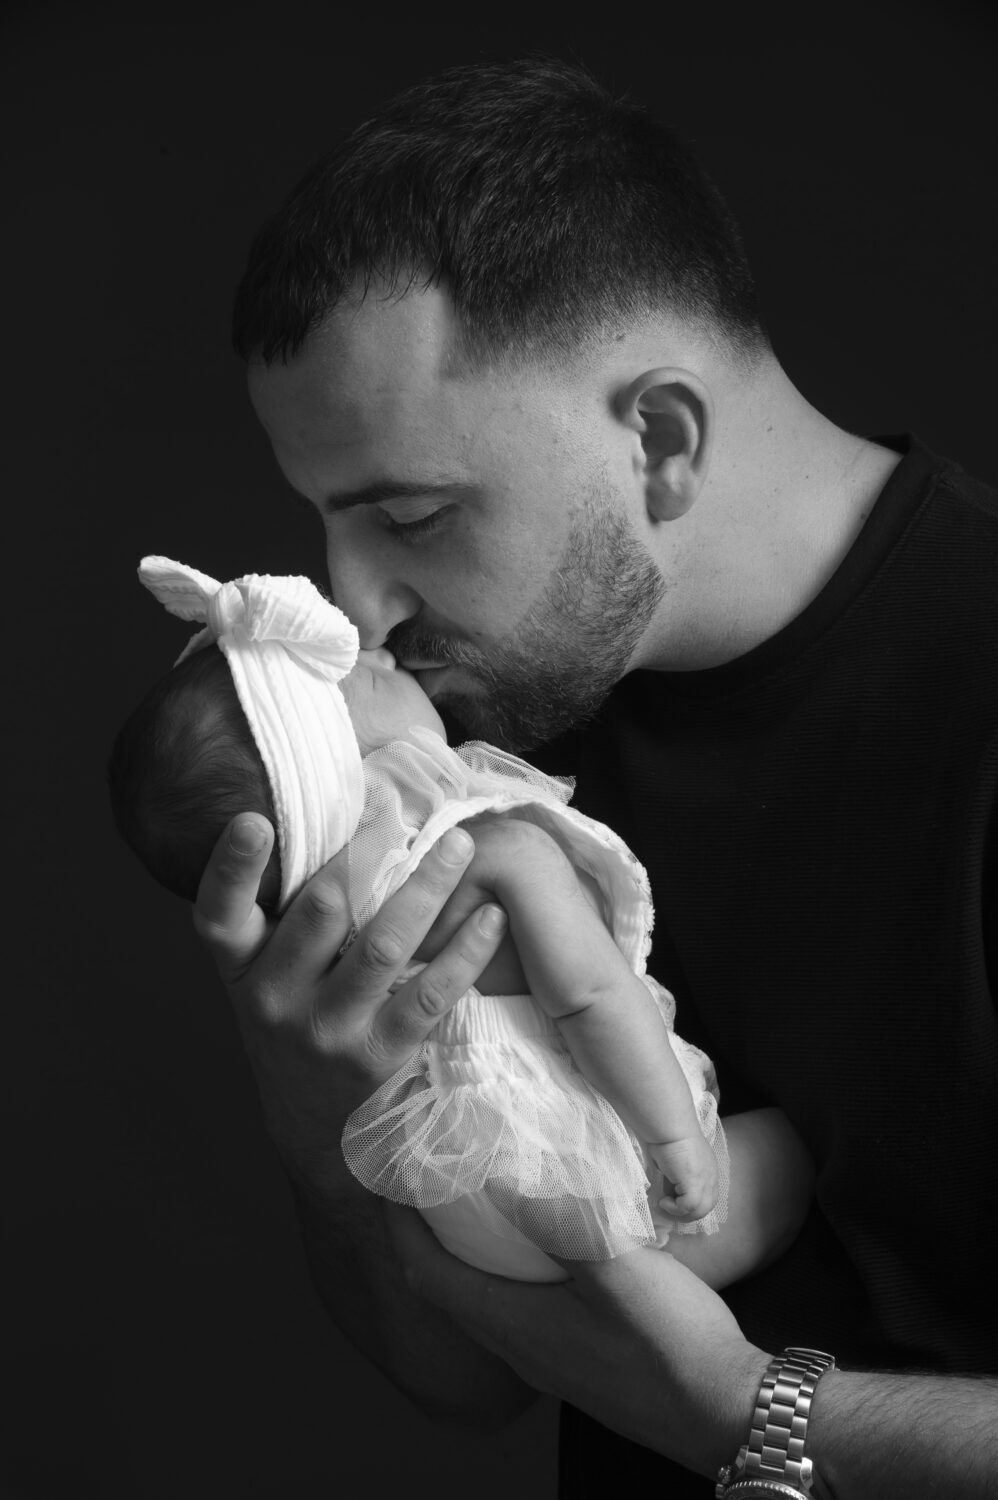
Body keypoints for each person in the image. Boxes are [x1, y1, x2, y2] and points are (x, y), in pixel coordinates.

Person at [182, 55, 996, 1499]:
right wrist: (327, 1143)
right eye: (325, 530)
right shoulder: (458, 741)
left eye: (413, 515)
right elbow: (465, 1377)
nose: (353, 610)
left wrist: (748, 1417)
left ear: (661, 442)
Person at [111, 556, 814, 1283]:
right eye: (372, 676)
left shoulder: (336, 931)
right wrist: (673, 1141)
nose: (383, 649)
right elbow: (594, 997)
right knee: (793, 1154)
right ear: (354, 767)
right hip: (567, 1171)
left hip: (458, 1201)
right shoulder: (500, 854)